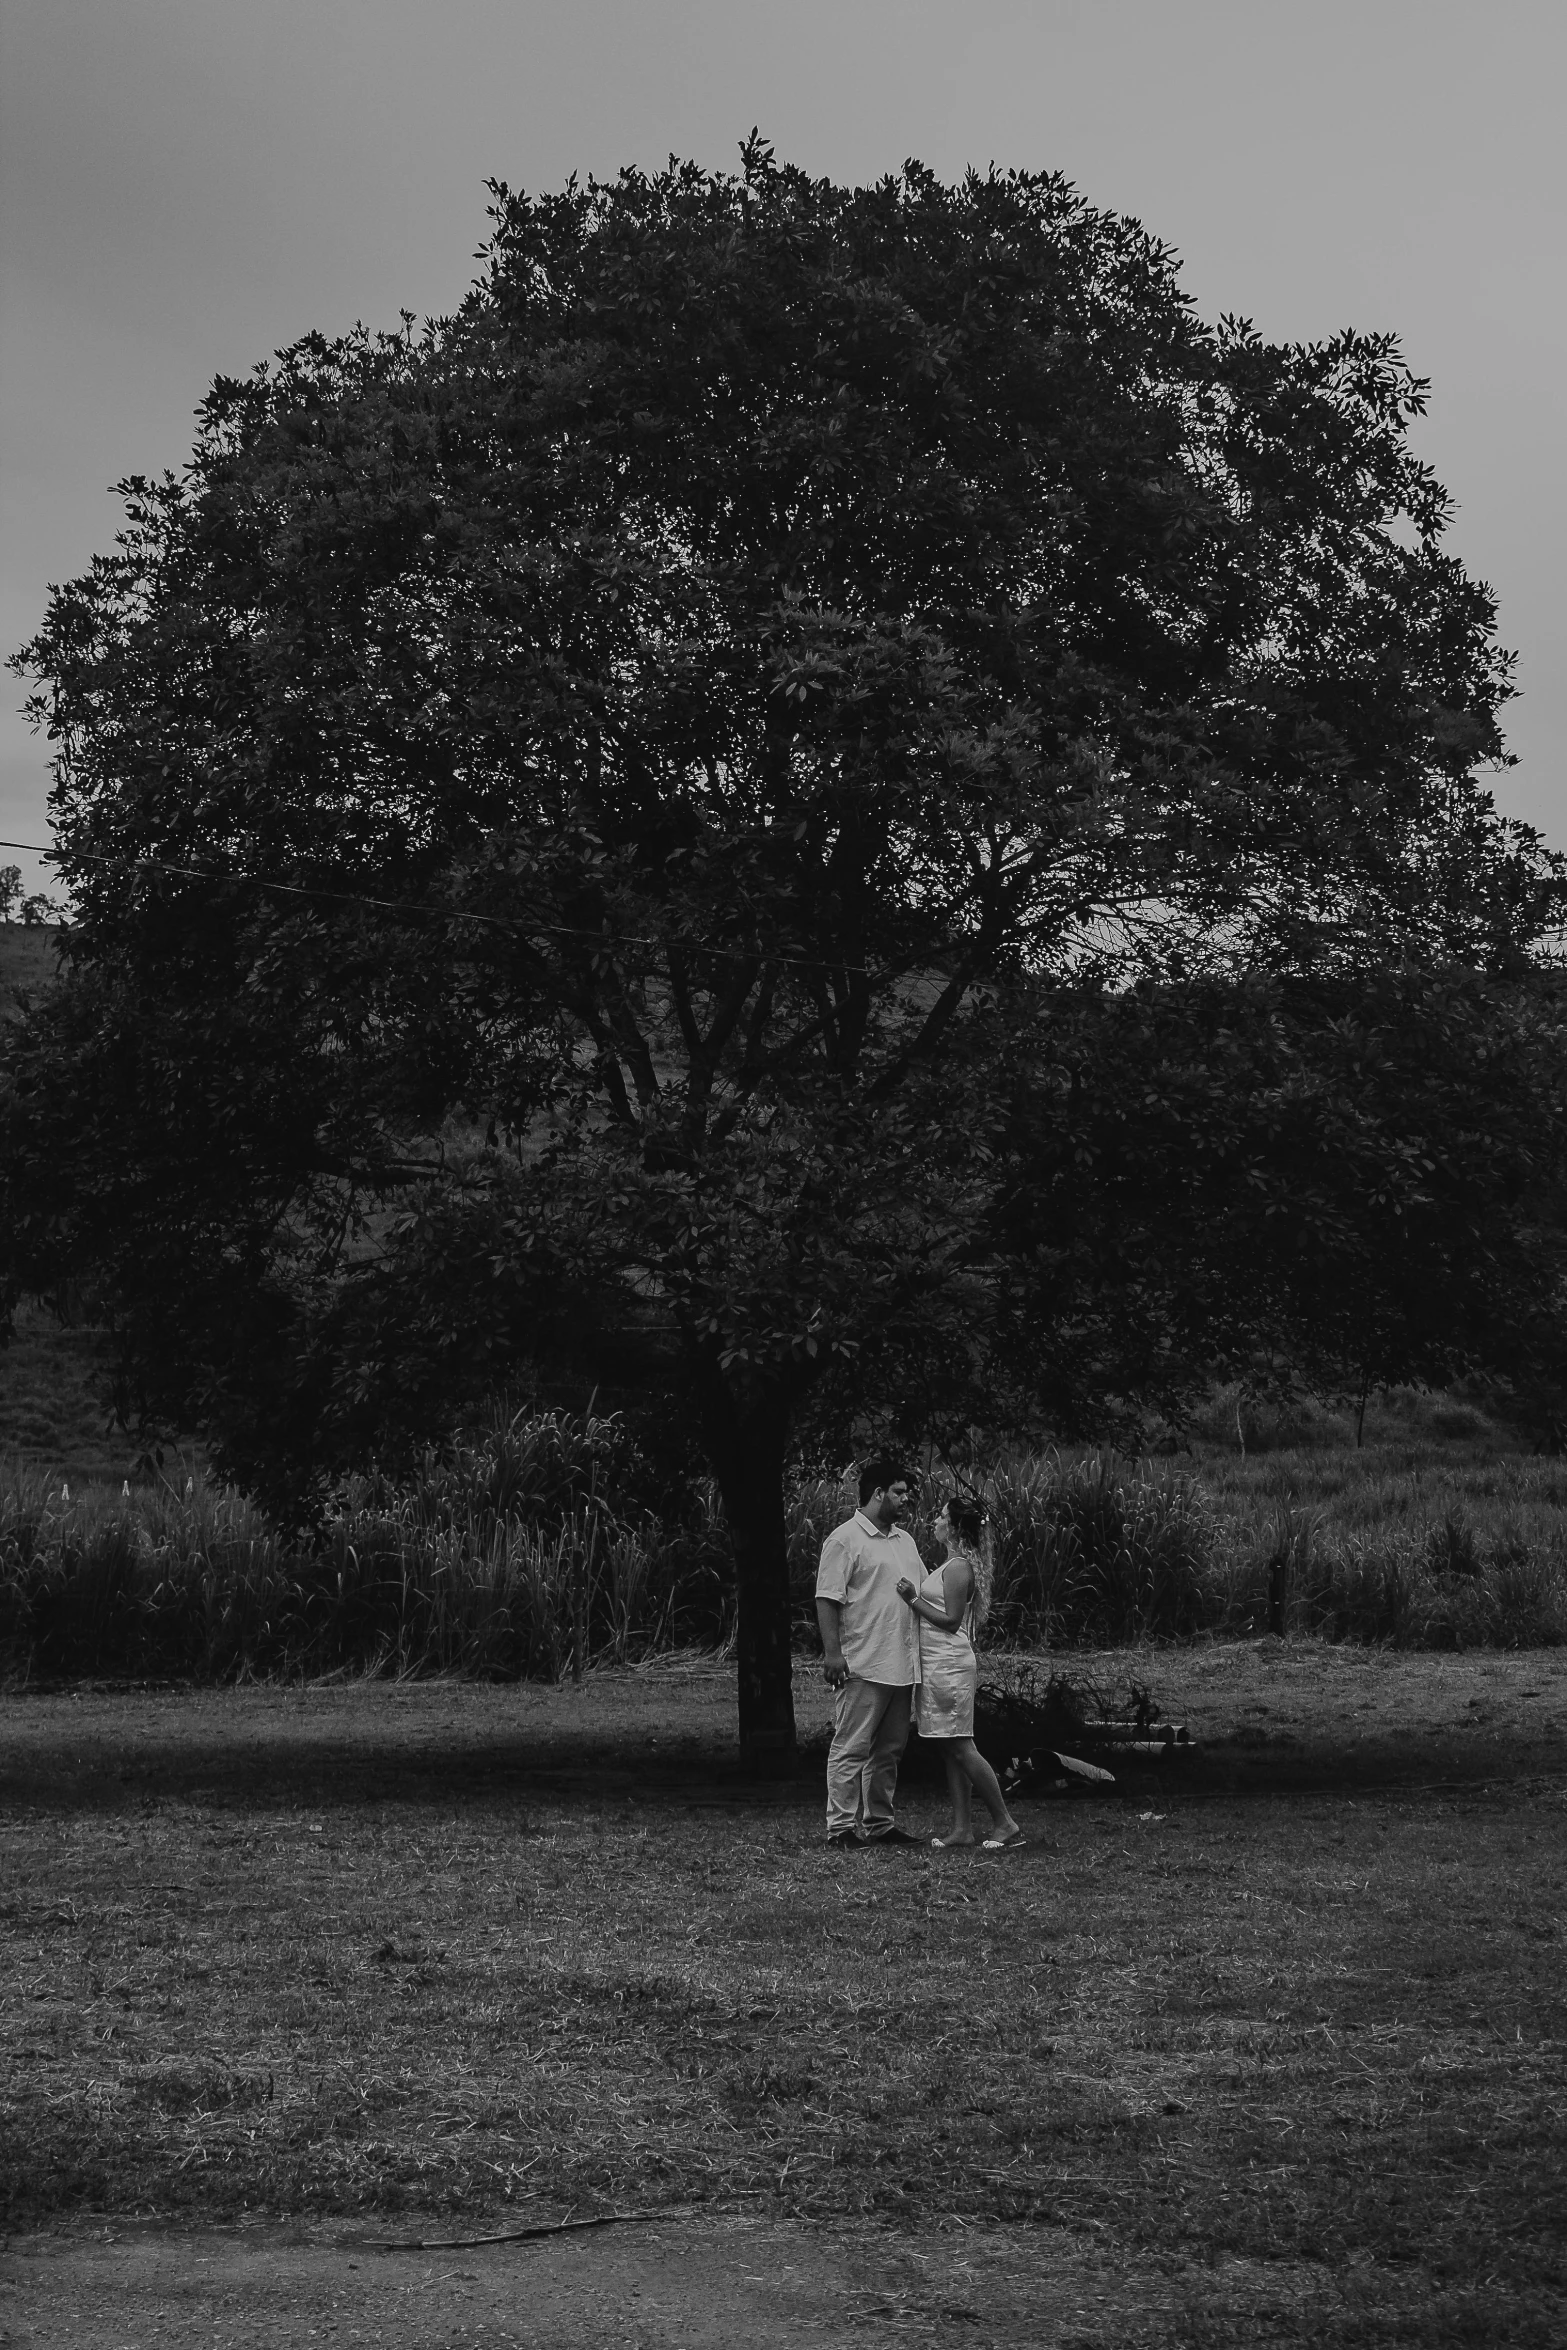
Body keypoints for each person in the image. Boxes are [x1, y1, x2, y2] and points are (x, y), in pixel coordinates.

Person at [897, 1494, 1025, 1850]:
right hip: (938, 1663)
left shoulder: (957, 1568)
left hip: (949, 1664)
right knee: (949, 1747)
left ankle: (1005, 1822)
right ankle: (962, 1828)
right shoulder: (951, 1563)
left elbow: (951, 1622)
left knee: (961, 1745)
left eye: (940, 1516)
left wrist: (912, 1599)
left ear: (953, 1526)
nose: (935, 1521)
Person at [815, 1457, 925, 1848]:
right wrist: (833, 1654)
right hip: (863, 1659)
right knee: (852, 1745)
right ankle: (841, 1828)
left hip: (902, 1662)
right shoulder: (845, 1539)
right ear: (878, 1493)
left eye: (907, 1493)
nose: (906, 1500)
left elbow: (921, 1593)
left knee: (889, 1751)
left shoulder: (905, 1540)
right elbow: (828, 1598)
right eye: (899, 1492)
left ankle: (880, 1822)